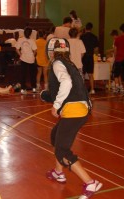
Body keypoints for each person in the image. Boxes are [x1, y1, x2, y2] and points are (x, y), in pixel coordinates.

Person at [41, 38, 102, 199]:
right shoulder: (70, 63)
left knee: (62, 150)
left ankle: (90, 183)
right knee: (56, 136)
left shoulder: (57, 63)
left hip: (74, 110)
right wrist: (49, 96)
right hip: (80, 107)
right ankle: (58, 172)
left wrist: (56, 104)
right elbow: (71, 86)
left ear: (51, 51)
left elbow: (66, 83)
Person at [15, 26, 37, 94]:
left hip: (23, 59)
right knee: (32, 75)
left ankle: (22, 89)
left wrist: (20, 54)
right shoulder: (32, 40)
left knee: (23, 75)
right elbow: (35, 50)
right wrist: (33, 55)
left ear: (24, 33)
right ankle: (34, 88)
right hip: (31, 59)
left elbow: (17, 49)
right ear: (30, 33)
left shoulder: (20, 39)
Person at [80, 22, 99, 94]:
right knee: (91, 74)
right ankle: (92, 89)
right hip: (90, 57)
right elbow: (96, 49)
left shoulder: (82, 36)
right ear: (91, 28)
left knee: (82, 74)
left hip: (83, 57)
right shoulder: (94, 37)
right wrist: (91, 51)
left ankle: (82, 90)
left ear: (85, 28)